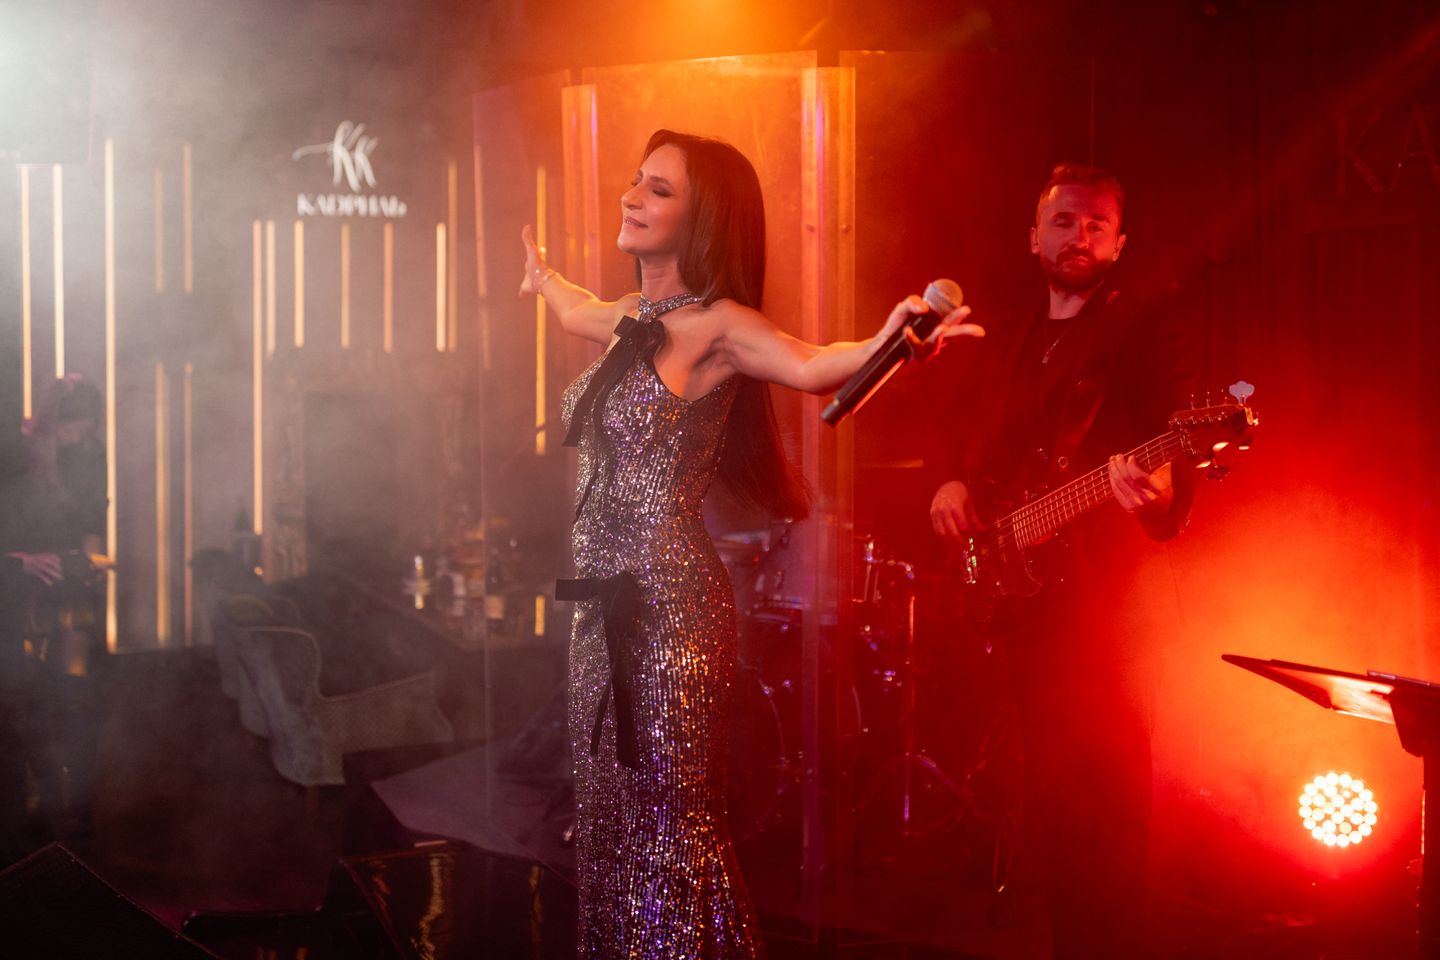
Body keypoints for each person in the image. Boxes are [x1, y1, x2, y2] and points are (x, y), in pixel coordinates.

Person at [520, 128, 980, 959]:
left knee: (668, 828)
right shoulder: (626, 319)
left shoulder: (718, 326)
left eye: (659, 189)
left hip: (667, 614)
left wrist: (891, 342)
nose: (632, 196)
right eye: (637, 179)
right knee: (610, 824)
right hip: (599, 617)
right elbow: (573, 306)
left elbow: (810, 363)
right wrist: (542, 278)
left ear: (702, 220)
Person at [928, 163, 1199, 958]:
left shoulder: (1144, 327)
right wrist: (949, 479)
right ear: (1033, 236)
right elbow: (963, 428)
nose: (1079, 237)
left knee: (1110, 805)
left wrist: (1159, 493)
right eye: (1064, 221)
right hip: (1027, 604)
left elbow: (1178, 433)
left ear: (1119, 243)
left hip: (1107, 609)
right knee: (1048, 800)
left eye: (1095, 225)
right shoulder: (1007, 335)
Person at [0, 374, 108, 861]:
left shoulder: (90, 452)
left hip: (67, 586)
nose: (77, 437)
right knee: (28, 700)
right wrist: (22, 560)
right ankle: (37, 807)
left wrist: (91, 563)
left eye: (85, 429)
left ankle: (74, 804)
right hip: (21, 588)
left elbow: (91, 519)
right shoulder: (19, 450)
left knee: (75, 694)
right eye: (70, 428)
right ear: (52, 421)